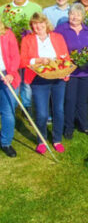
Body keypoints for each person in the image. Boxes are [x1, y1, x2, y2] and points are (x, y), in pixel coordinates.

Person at [19, 13, 68, 153]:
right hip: (38, 80)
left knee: (58, 110)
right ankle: (41, 140)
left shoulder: (57, 37)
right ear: (31, 26)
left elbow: (65, 56)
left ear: (46, 23)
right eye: (34, 24)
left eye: (40, 23)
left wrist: (65, 72)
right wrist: (38, 60)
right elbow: (22, 61)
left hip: (57, 78)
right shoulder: (28, 40)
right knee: (41, 113)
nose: (38, 26)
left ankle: (57, 139)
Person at [55, 4, 88, 138]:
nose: (75, 17)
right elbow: (56, 48)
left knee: (83, 100)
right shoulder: (61, 29)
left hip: (86, 72)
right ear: (69, 15)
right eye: (72, 14)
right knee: (70, 99)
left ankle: (84, 126)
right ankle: (69, 127)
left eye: (78, 15)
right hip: (70, 72)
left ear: (83, 17)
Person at [2, 0, 42, 109]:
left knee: (26, 81)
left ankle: (26, 106)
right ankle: (11, 105)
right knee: (12, 78)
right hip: (9, 53)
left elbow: (40, 27)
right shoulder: (4, 9)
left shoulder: (36, 8)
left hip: (28, 51)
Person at [0, 21, 21, 157]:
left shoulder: (7, 34)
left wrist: (11, 73)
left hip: (7, 76)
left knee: (8, 112)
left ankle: (6, 142)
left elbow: (15, 56)